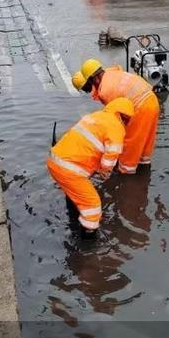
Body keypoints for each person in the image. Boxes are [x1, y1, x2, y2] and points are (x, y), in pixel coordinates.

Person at [47, 98, 135, 236]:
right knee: (92, 206)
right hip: (70, 170)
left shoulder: (95, 116)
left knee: (75, 194)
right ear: (126, 117)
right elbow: (110, 157)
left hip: (55, 160)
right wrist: (104, 172)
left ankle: (73, 217)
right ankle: (87, 243)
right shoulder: (117, 128)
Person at [73, 59, 160, 175]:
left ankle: (126, 173)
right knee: (145, 140)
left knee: (131, 142)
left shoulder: (105, 91)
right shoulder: (111, 74)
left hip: (140, 108)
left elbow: (115, 121)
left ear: (93, 79)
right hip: (152, 101)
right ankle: (143, 166)